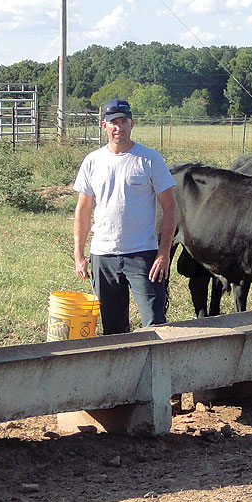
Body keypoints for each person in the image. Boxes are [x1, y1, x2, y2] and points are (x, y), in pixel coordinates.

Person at [72, 98, 177, 334]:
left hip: (142, 254)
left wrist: (163, 252)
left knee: (155, 321)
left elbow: (170, 208)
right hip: (103, 255)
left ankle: (155, 369)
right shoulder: (93, 161)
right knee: (113, 327)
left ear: (131, 124)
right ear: (104, 126)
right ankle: (122, 370)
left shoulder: (149, 159)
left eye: (123, 121)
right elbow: (83, 210)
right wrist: (79, 254)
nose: (118, 127)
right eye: (113, 122)